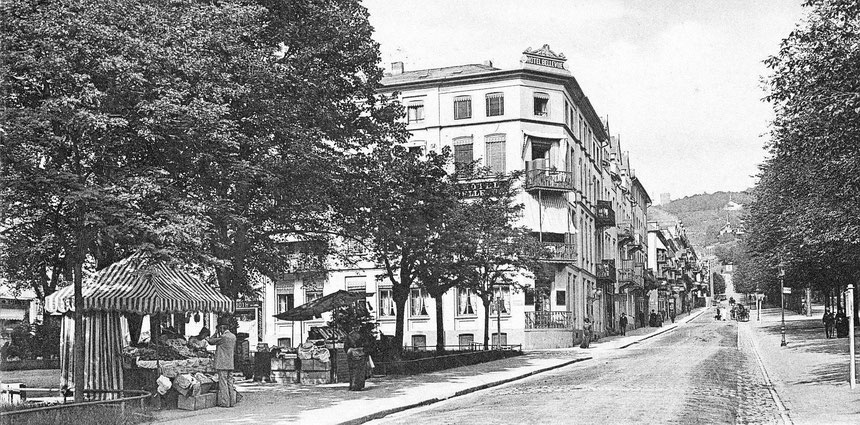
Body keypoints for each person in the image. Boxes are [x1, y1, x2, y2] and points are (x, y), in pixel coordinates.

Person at [208, 319, 238, 407]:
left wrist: (215, 332)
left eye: (219, 329)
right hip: (230, 363)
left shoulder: (223, 337)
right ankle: (232, 402)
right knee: (230, 382)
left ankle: (225, 402)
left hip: (222, 363)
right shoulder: (233, 336)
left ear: (221, 328)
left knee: (223, 383)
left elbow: (210, 341)